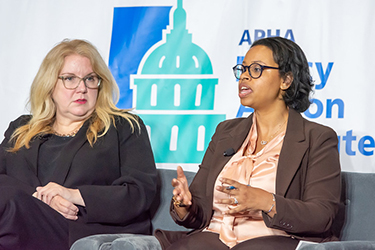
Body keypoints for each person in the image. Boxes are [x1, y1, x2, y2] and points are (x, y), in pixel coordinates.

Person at [155, 37, 341, 250]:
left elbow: (321, 216)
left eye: (256, 69)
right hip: (214, 239)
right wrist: (185, 205)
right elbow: (198, 216)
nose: (244, 76)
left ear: (286, 80)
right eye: (243, 69)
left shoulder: (316, 137)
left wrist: (265, 201)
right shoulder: (226, 131)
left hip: (276, 241)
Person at [0, 39, 157, 250]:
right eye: (70, 79)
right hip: (22, 223)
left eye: (90, 79)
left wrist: (72, 194)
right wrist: (43, 198)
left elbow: (138, 193)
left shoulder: (123, 127)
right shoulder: (21, 129)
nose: (81, 88)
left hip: (82, 230)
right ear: (49, 84)